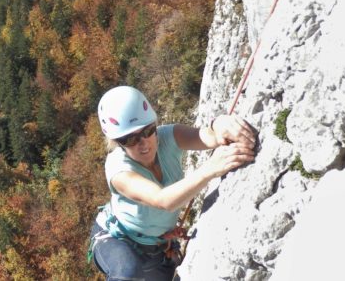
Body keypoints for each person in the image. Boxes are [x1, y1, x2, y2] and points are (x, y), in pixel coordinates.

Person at [89, 86, 256, 281]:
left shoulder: (169, 136)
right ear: (118, 142)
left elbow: (208, 137)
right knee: (127, 274)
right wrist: (211, 168)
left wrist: (219, 124)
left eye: (148, 130)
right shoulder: (119, 170)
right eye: (130, 139)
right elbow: (162, 200)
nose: (144, 143)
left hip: (158, 245)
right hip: (116, 240)